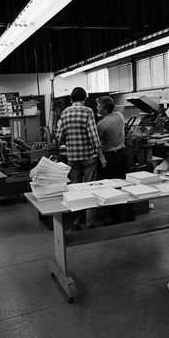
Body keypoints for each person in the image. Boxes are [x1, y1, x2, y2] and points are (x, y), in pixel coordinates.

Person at [57, 87, 101, 231]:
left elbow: (60, 136)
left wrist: (67, 141)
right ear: (84, 98)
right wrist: (97, 152)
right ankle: (90, 223)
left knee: (75, 189)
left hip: (73, 157)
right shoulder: (88, 111)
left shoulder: (64, 113)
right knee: (90, 188)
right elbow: (93, 135)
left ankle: (76, 221)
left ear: (71, 98)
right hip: (88, 157)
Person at [96, 95, 134, 224]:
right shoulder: (120, 116)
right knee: (126, 185)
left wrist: (101, 157)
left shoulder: (102, 124)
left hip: (111, 157)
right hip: (123, 154)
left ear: (105, 110)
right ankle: (130, 214)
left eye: (99, 106)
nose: (97, 108)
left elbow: (97, 143)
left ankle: (116, 219)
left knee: (111, 188)